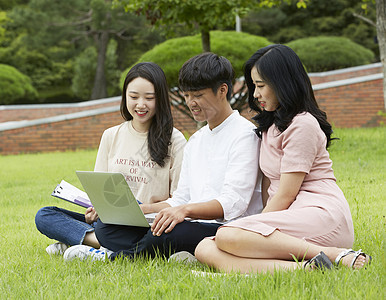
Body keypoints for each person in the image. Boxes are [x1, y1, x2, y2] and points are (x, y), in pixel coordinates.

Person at [62, 52, 263, 262]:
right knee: (109, 226)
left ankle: (112, 257)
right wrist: (141, 211)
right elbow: (180, 198)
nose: (190, 102)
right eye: (186, 96)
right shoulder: (196, 140)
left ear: (222, 90)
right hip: (188, 221)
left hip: (225, 227)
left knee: (167, 234)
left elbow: (233, 203)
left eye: (198, 95)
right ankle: (178, 254)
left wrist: (183, 211)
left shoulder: (244, 135)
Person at [194, 44, 372, 273]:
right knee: (204, 248)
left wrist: (254, 227)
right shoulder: (271, 126)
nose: (255, 94)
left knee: (228, 235)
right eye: (254, 86)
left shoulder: (303, 124)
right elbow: (270, 189)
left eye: (260, 86)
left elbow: (286, 194)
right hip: (289, 216)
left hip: (320, 214)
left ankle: (334, 254)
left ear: (282, 83)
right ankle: (306, 268)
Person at [35, 62, 187, 255]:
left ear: (161, 100)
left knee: (144, 223)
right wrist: (95, 210)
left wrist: (143, 209)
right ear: (125, 97)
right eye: (133, 97)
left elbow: (180, 200)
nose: (141, 105)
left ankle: (87, 242)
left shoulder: (175, 140)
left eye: (149, 98)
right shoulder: (111, 135)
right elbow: (100, 191)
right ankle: (98, 243)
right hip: (111, 221)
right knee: (45, 215)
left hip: (151, 222)